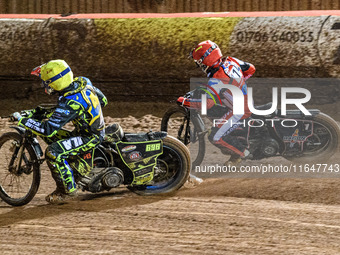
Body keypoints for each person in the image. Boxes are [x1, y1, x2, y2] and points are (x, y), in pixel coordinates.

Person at [12, 59, 108, 204]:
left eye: (46, 81)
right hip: (87, 130)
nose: (45, 84)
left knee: (53, 152)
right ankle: (74, 166)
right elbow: (103, 100)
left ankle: (67, 191)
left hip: (89, 137)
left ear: (56, 82)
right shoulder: (83, 82)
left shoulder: (71, 102)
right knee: (56, 138)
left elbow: (47, 129)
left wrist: (22, 120)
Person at [187, 40, 256, 164]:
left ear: (206, 59)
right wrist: (239, 82)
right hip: (244, 101)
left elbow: (207, 103)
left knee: (214, 136)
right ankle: (235, 137)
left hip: (239, 111)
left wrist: (184, 101)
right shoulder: (231, 60)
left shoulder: (216, 80)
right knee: (213, 111)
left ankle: (243, 153)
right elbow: (251, 69)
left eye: (200, 62)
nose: (200, 66)